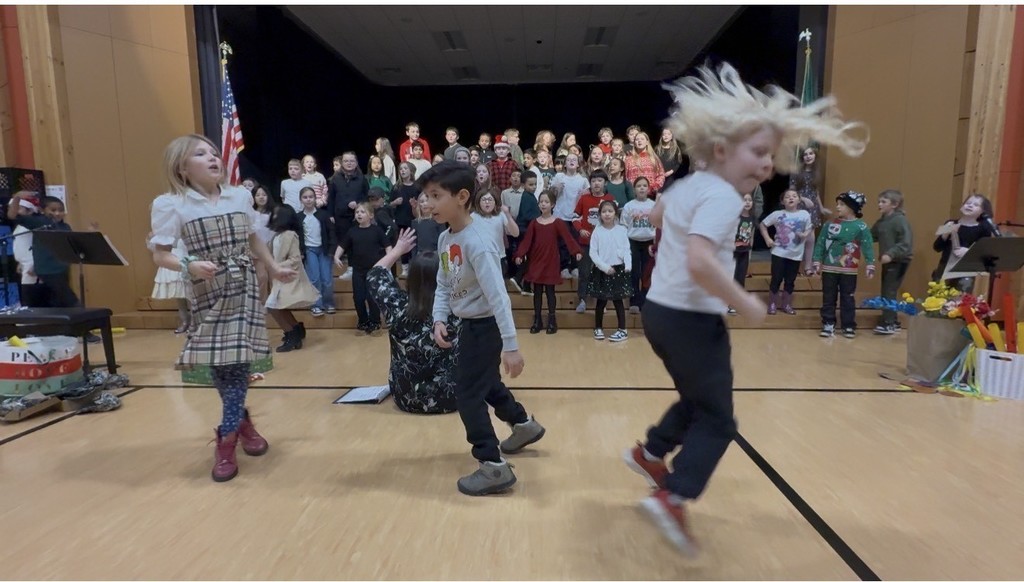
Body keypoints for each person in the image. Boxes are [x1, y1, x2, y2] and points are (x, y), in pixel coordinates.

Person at [622, 63, 867, 555]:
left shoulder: (687, 185)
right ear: (720, 149)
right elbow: (698, 260)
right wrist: (744, 301)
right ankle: (674, 495)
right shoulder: (721, 196)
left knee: (699, 399)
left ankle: (650, 452)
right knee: (720, 421)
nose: (767, 166)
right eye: (758, 153)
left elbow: (654, 215)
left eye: (771, 156)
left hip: (658, 313)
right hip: (691, 319)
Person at [149, 134, 296, 483]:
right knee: (220, 359)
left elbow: (252, 238)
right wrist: (190, 265)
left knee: (237, 359)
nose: (213, 158)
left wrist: (273, 268)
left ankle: (226, 438)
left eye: (215, 152)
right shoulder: (170, 204)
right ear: (182, 167)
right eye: (201, 154)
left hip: (243, 283)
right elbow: (161, 253)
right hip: (207, 287)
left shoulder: (239, 196)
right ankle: (242, 421)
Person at [422, 161, 545, 496]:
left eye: (435, 195)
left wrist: (511, 345)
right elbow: (444, 283)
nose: (427, 203)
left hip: (487, 326)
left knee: (467, 394)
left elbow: (499, 298)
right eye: (425, 196)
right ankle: (522, 424)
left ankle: (492, 465)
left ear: (462, 196)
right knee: (485, 381)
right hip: (469, 325)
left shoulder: (479, 242)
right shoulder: (447, 238)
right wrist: (438, 318)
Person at [367, 229, 458, 414]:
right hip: (452, 398)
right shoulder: (456, 309)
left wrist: (397, 250)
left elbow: (375, 275)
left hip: (405, 397)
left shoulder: (397, 306)